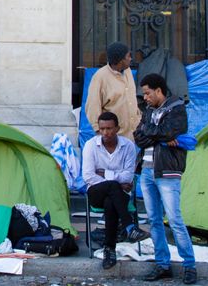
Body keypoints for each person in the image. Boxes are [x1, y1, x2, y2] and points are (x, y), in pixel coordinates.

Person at [134, 73, 197, 284]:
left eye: (147, 93)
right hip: (147, 171)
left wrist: (155, 133)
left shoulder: (177, 109)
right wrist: (160, 136)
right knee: (153, 221)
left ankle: (189, 266)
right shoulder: (148, 111)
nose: (145, 98)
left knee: (175, 220)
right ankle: (163, 264)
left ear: (159, 90)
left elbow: (169, 131)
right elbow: (138, 135)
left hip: (168, 171)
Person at [82, 111, 150, 269]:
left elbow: (128, 176)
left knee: (110, 202)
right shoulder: (91, 145)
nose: (105, 132)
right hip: (96, 192)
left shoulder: (128, 146)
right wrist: (115, 183)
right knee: (112, 188)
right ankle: (129, 227)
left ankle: (109, 251)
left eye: (109, 128)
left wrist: (105, 174)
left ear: (117, 128)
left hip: (119, 196)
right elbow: (88, 176)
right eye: (102, 129)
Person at [85, 41, 141, 141]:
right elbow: (92, 107)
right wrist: (100, 133)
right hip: (114, 138)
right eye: (128, 56)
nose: (130, 59)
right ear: (120, 60)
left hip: (135, 135)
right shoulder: (100, 77)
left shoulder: (127, 71)